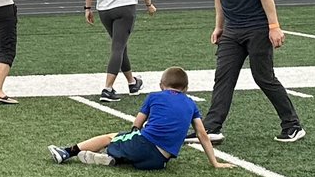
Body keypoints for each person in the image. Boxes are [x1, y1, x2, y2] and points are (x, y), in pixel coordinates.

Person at [187, 0, 305, 143]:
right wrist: (219, 26)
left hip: (257, 28)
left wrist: (274, 26)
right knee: (223, 76)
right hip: (232, 30)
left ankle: (293, 125)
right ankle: (212, 128)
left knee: (264, 77)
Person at [48, 66, 233, 171]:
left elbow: (137, 125)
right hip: (160, 162)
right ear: (185, 88)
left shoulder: (154, 96)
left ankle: (67, 152)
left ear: (161, 85)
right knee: (131, 147)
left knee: (111, 137)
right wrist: (215, 163)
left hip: (145, 145)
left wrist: (132, 135)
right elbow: (202, 134)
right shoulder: (191, 104)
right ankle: (113, 158)